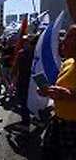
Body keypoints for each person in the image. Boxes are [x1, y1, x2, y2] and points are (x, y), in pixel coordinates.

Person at [40, 25, 76, 159]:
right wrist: (50, 92)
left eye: (68, 37)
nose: (63, 41)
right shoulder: (67, 62)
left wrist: (69, 95)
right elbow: (62, 89)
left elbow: (67, 93)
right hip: (58, 120)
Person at [12, 35, 38, 132]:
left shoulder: (22, 53)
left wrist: (13, 82)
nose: (24, 43)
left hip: (24, 81)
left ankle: (25, 123)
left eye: (26, 41)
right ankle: (39, 119)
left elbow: (15, 69)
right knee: (37, 100)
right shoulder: (39, 53)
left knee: (24, 102)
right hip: (36, 81)